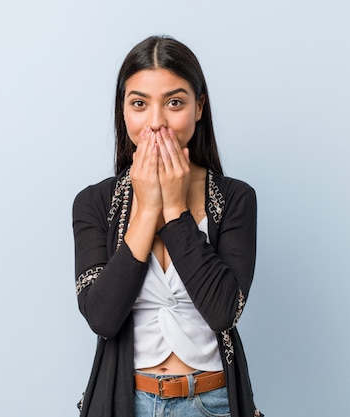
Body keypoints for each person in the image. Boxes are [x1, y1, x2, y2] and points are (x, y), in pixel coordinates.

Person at [72, 35, 263, 417]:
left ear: (198, 107)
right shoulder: (94, 203)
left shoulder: (236, 199)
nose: (156, 122)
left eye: (174, 102)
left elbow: (224, 311)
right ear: (123, 111)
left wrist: (175, 210)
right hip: (128, 401)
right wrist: (146, 212)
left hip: (214, 401)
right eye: (139, 104)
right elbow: (102, 318)